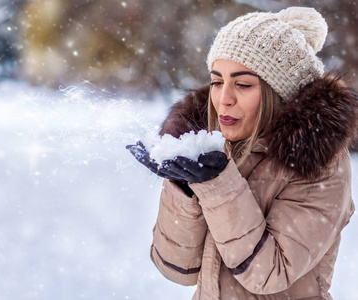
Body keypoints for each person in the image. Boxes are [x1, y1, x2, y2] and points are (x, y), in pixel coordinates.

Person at [126, 6, 358, 299]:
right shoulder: (217, 146)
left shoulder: (320, 164)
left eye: (243, 84)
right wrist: (184, 189)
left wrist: (217, 187)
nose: (224, 100)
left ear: (279, 92)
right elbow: (176, 268)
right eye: (217, 82)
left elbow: (270, 274)